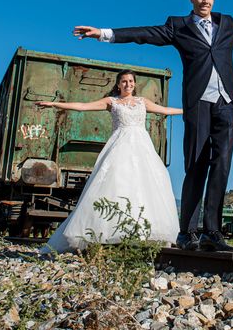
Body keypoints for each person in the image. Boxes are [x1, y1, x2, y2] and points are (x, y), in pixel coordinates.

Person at [74, 0, 233, 252]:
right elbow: (145, 35)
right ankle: (187, 233)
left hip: (226, 104)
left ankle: (213, 232)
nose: (205, 2)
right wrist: (104, 33)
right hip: (198, 104)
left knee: (221, 165)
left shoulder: (227, 25)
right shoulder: (179, 27)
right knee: (196, 166)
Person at [38, 69, 182, 253]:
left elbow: (166, 111)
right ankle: (108, 234)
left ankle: (139, 234)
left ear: (135, 84)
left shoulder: (142, 102)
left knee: (144, 187)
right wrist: (54, 104)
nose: (128, 84)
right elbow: (83, 106)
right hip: (119, 148)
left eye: (131, 81)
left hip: (142, 149)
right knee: (116, 185)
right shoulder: (111, 102)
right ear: (118, 84)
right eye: (124, 81)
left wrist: (190, 110)